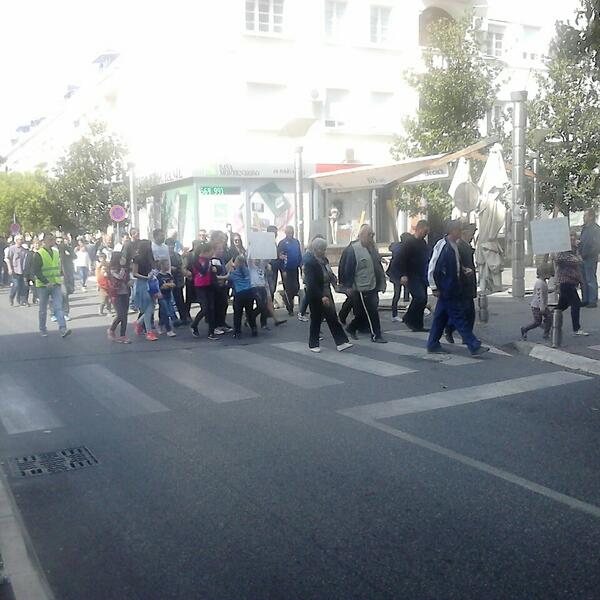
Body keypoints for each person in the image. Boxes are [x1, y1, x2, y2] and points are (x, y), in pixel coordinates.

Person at [427, 221, 488, 356]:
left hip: (452, 287)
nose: (460, 233)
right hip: (447, 288)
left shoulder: (453, 245)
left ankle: (432, 344)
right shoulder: (443, 245)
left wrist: (463, 270)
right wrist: (434, 287)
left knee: (440, 318)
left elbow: (455, 264)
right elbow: (433, 267)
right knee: (458, 317)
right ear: (452, 231)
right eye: (458, 230)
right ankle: (473, 345)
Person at [338, 224, 387, 343]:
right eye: (370, 235)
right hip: (361, 286)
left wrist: (382, 282)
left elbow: (378, 267)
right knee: (372, 312)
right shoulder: (353, 249)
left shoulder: (372, 248)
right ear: (362, 235)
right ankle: (376, 335)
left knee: (365, 312)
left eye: (373, 235)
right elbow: (348, 268)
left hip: (372, 285)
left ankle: (352, 328)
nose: (372, 237)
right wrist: (348, 286)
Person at [304, 237, 353, 353]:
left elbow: (329, 273)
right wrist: (321, 296)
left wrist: (335, 284)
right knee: (316, 318)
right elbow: (311, 282)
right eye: (322, 249)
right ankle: (313, 344)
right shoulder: (310, 262)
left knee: (332, 317)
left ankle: (341, 342)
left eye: (324, 249)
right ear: (315, 249)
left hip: (326, 291)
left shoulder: (324, 260)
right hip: (316, 294)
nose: (324, 251)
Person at [32, 232, 71, 338]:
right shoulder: (38, 254)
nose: (52, 241)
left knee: (58, 307)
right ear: (44, 241)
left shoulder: (56, 252)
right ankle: (42, 329)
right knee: (43, 309)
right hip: (43, 286)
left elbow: (59, 266)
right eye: (49, 239)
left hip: (55, 284)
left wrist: (62, 277)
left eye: (52, 239)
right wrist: (46, 282)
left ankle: (63, 329)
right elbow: (36, 271)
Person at [444, 223, 478, 344]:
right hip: (463, 284)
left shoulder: (465, 246)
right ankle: (451, 329)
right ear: (464, 233)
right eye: (471, 234)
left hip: (468, 283)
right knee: (465, 312)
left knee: (468, 312)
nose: (472, 236)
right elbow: (457, 265)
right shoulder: (459, 246)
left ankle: (465, 336)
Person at [397, 220, 430, 332]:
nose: (425, 234)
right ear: (419, 229)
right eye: (424, 231)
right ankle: (408, 318)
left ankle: (418, 324)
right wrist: (403, 274)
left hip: (421, 275)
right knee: (419, 297)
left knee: (424, 300)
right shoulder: (409, 242)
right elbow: (401, 259)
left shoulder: (423, 243)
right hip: (411, 275)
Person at [554, 230, 589, 336]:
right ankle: (576, 329)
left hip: (572, 282)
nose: (573, 238)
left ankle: (547, 319)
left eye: (574, 235)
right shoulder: (564, 251)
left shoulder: (574, 251)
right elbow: (574, 261)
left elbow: (580, 260)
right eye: (570, 236)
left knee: (562, 306)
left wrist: (576, 250)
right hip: (566, 282)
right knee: (576, 304)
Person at [218, 256, 257, 339]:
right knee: (250, 312)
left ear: (237, 263)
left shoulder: (234, 273)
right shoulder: (248, 270)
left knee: (238, 314)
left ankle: (237, 332)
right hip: (249, 292)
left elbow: (226, 278)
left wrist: (227, 271)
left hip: (239, 294)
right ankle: (254, 328)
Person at [190, 242, 220, 341]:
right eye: (211, 251)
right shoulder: (196, 260)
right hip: (200, 286)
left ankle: (211, 332)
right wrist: (208, 263)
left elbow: (212, 272)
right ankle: (194, 325)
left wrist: (214, 269)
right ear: (205, 252)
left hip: (209, 285)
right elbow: (202, 271)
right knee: (205, 308)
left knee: (211, 308)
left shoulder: (210, 261)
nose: (212, 253)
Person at [132, 240, 158, 341]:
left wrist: (153, 274)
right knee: (149, 308)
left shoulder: (149, 258)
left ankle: (139, 323)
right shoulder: (137, 258)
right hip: (142, 283)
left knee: (150, 307)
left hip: (149, 282)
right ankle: (149, 332)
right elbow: (134, 273)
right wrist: (147, 277)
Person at [521, 264, 553, 341]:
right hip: (537, 306)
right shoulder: (540, 283)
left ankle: (546, 332)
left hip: (542, 305)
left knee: (549, 317)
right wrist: (542, 307)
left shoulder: (543, 282)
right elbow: (539, 296)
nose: (551, 276)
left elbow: (544, 291)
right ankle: (525, 329)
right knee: (537, 322)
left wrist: (554, 289)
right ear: (544, 274)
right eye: (549, 273)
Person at [277, 226, 303, 315]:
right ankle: (290, 308)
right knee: (288, 289)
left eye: (291, 232)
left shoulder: (296, 242)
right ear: (285, 233)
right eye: (288, 232)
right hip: (286, 270)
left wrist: (301, 266)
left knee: (296, 287)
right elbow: (280, 257)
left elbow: (299, 254)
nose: (290, 234)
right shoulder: (282, 243)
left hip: (295, 268)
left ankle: (298, 306)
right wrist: (283, 270)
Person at [107, 251, 132, 343]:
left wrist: (130, 281)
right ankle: (112, 329)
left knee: (125, 315)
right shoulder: (112, 269)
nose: (123, 259)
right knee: (121, 314)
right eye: (121, 258)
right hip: (116, 294)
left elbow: (128, 278)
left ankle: (122, 335)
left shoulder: (124, 269)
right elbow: (119, 277)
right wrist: (123, 269)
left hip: (125, 293)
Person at [386, 233, 412, 322]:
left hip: (395, 274)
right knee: (399, 293)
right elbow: (400, 263)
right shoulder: (402, 249)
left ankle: (395, 314)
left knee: (397, 294)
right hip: (398, 274)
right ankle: (396, 314)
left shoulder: (397, 247)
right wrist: (403, 274)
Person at [579, 209, 600, 308]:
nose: (584, 218)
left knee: (590, 279)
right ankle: (585, 299)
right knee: (583, 280)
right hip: (582, 257)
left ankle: (592, 300)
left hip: (590, 258)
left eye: (585, 216)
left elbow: (596, 245)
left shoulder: (595, 229)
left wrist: (589, 253)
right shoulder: (584, 228)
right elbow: (582, 241)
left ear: (591, 217)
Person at [166, 237, 189, 324]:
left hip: (178, 280)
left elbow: (181, 266)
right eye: (169, 245)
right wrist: (170, 268)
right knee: (167, 301)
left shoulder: (177, 256)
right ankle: (170, 319)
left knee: (179, 300)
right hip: (167, 280)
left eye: (172, 245)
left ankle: (184, 318)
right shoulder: (165, 256)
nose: (171, 247)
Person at [5, 234, 28, 306]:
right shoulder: (12, 248)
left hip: (22, 270)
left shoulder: (23, 250)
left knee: (22, 286)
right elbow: (8, 259)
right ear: (16, 240)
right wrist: (9, 268)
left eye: (22, 239)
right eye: (20, 239)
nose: (21, 241)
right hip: (14, 270)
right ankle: (11, 297)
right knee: (16, 285)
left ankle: (21, 300)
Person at [156, 259, 177, 337]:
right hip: (162, 296)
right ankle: (169, 330)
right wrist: (168, 285)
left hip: (168, 295)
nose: (168, 266)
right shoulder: (158, 276)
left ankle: (160, 324)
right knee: (166, 312)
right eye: (166, 264)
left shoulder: (168, 275)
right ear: (162, 265)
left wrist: (167, 285)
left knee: (164, 312)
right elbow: (161, 286)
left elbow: (173, 284)